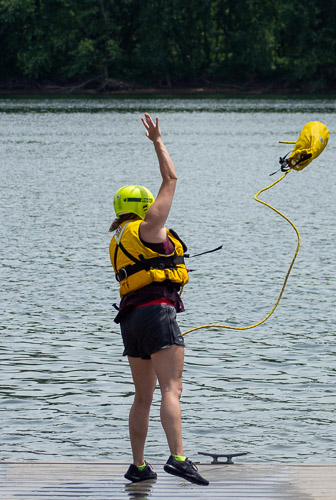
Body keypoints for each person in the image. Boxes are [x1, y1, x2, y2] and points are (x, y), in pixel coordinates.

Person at [109, 113, 208, 486]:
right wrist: (157, 141)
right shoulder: (148, 227)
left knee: (142, 396)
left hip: (131, 321)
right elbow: (172, 178)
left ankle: (138, 466)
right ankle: (178, 458)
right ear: (146, 206)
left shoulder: (118, 238)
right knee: (172, 389)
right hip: (157, 315)